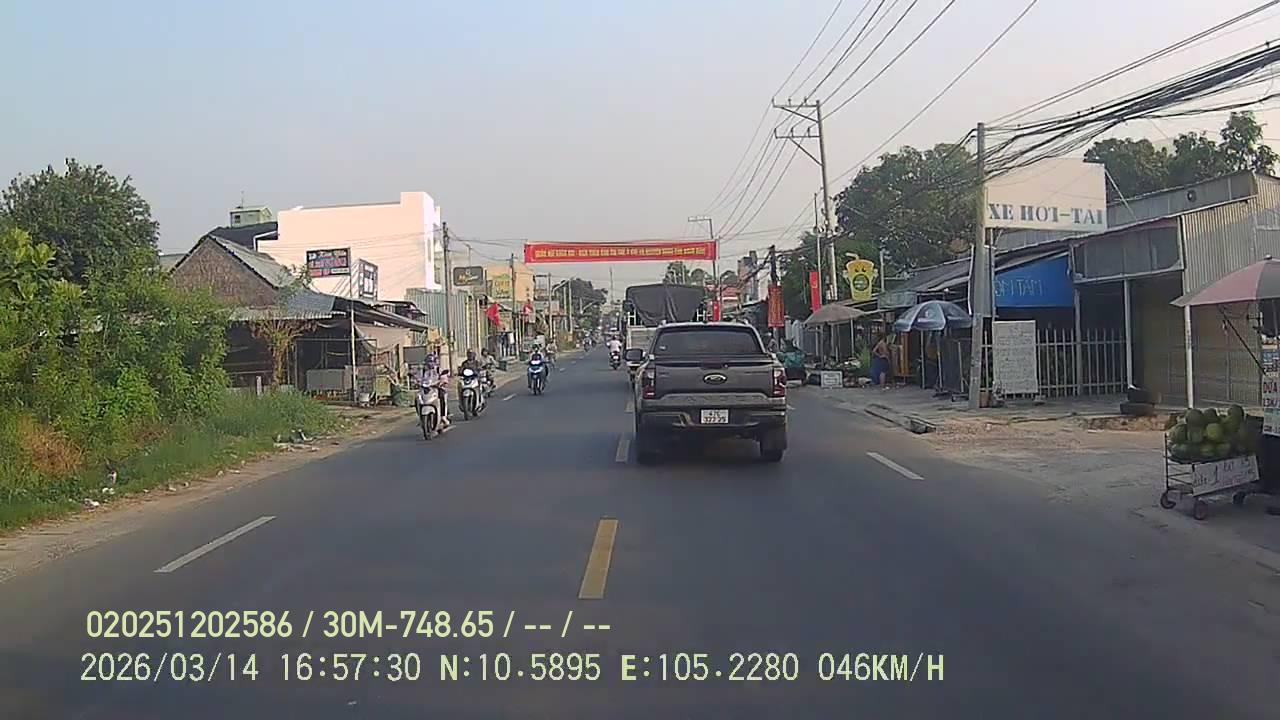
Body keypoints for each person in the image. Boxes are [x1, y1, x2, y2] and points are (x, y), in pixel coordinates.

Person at [419, 354, 451, 428]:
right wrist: (416, 381)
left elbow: (444, 377)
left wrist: (442, 382)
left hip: (437, 388)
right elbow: (418, 378)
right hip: (426, 389)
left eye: (432, 361)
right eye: (428, 362)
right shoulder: (423, 371)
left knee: (442, 395)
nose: (430, 363)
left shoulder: (438, 369)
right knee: (418, 398)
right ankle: (421, 417)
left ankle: (443, 416)